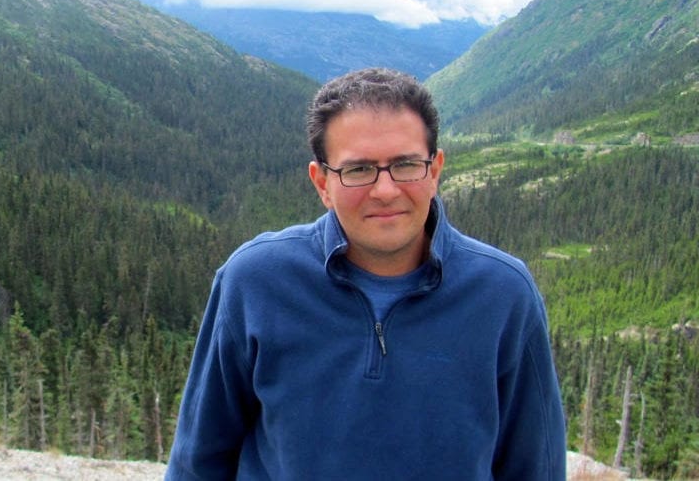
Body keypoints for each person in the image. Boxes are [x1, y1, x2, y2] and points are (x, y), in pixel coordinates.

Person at [165, 68, 566, 480]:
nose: (386, 190)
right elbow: (197, 463)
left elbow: (536, 469)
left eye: (406, 164)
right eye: (358, 170)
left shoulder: (503, 294)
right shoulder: (254, 281)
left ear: (434, 171)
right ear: (322, 183)